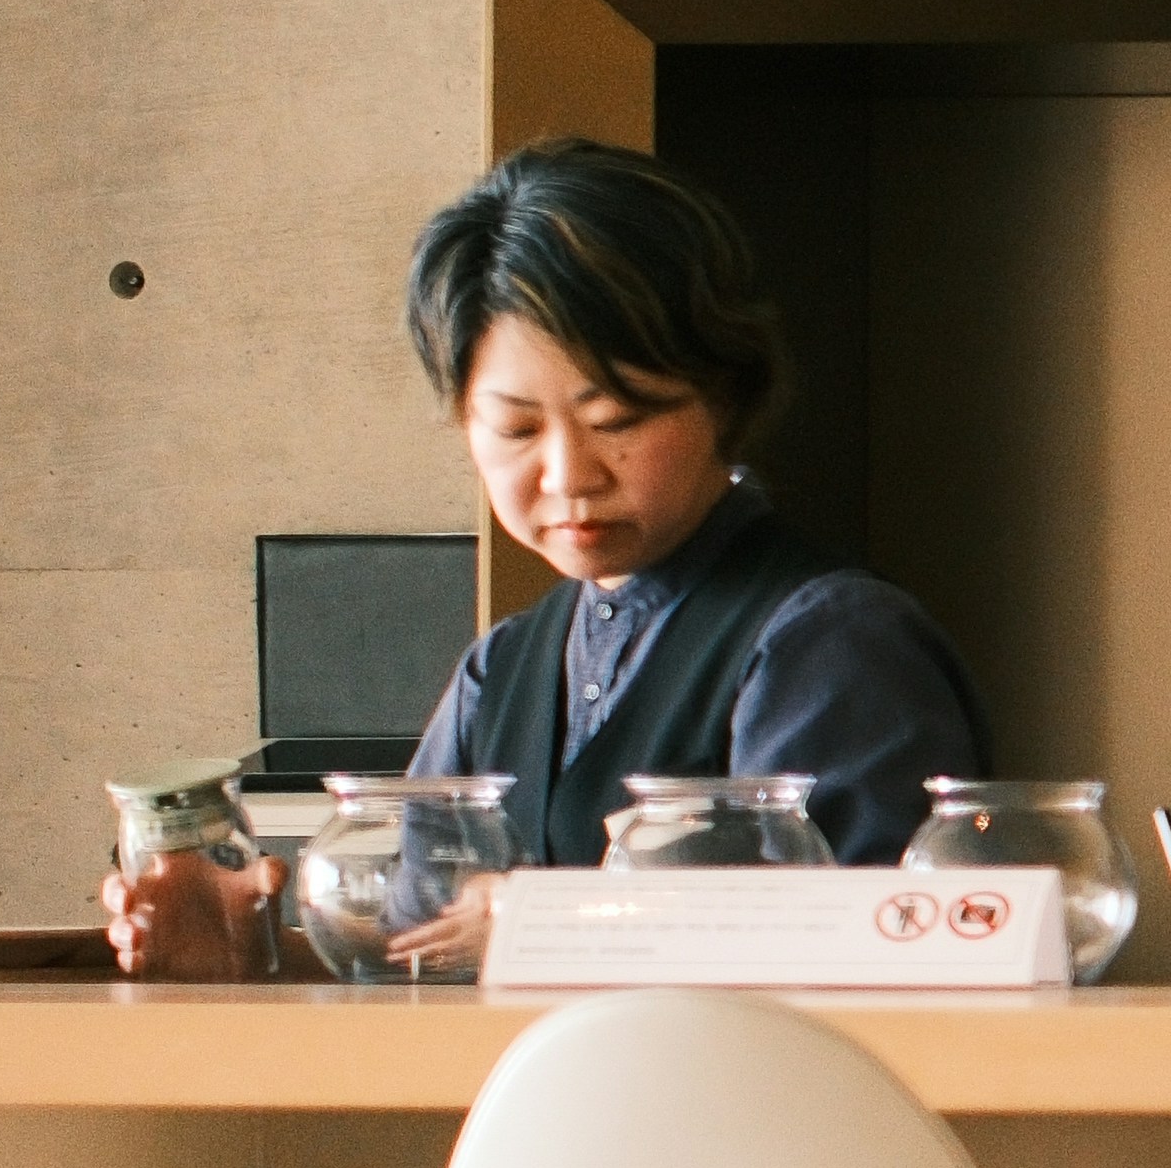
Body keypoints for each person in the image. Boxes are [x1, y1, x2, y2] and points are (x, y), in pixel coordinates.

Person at [101, 142, 988, 975]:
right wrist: (247, 948)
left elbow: (896, 943)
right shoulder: (508, 664)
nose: (568, 474)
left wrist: (564, 924)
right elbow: (426, 946)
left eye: (617, 421)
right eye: (517, 428)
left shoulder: (828, 642)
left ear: (726, 396)